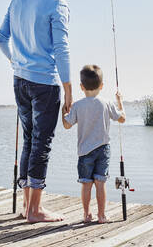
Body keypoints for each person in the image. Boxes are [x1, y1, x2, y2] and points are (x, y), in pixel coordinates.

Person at [0, 0, 72, 223]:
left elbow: (0, 38)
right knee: (42, 143)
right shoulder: (57, 4)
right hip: (45, 84)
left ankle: (27, 205)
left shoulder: (17, 1)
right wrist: (69, 90)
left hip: (20, 80)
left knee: (29, 139)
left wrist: (14, 60)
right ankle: (35, 211)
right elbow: (61, 49)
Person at [61, 65, 126, 223]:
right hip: (103, 150)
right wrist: (120, 101)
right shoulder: (107, 103)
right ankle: (102, 216)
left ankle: (86, 215)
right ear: (102, 86)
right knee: (100, 183)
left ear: (81, 87)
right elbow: (122, 118)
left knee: (86, 184)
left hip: (84, 152)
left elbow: (67, 125)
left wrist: (64, 108)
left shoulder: (77, 105)